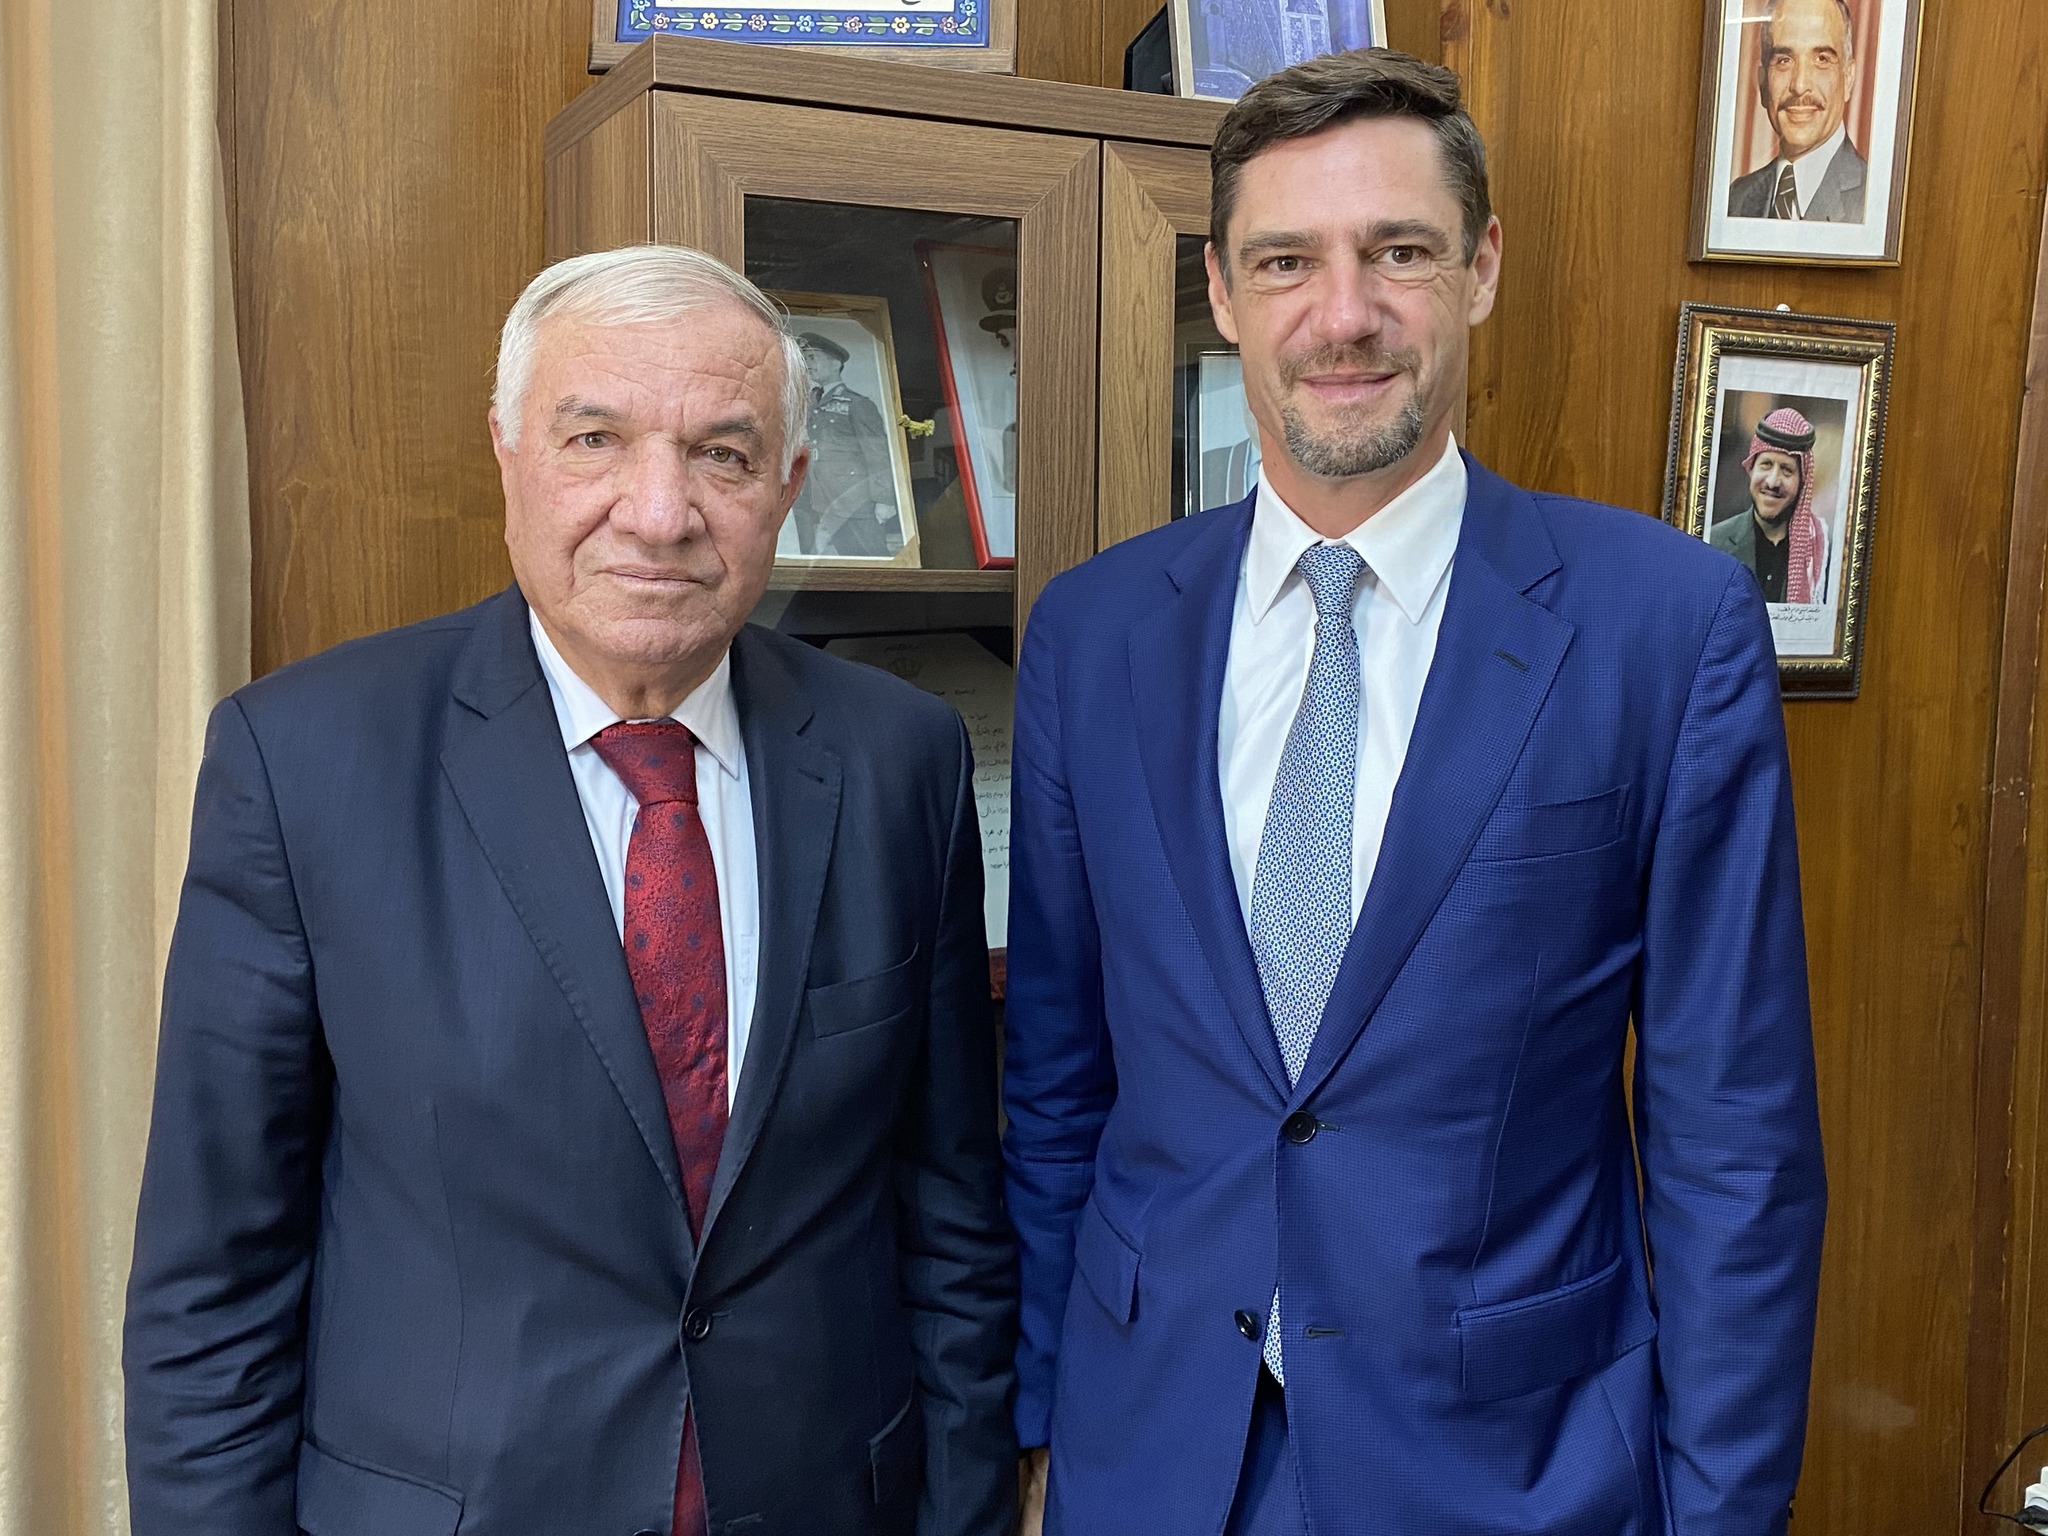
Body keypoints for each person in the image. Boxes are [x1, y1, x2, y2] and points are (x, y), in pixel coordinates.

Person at [1005, 48, 1825, 1536]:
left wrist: (1720, 1514)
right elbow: (1057, 1090)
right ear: (1221, 289)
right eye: (1285, 260)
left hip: (1509, 1470)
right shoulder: (1094, 633)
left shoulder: (1662, 625)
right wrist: (1046, 1427)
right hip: (1150, 1457)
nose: (1343, 314)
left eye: (1398, 251)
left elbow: (1735, 1139)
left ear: (1480, 268)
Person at [123, 245, 1018, 1536]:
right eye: (595, 439)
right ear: (508, 453)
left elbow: (949, 1220)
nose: (658, 513)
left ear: (788, 485)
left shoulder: (900, 761)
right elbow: (215, 1283)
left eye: (721, 454)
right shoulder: (304, 761)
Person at [1727, 0, 1867, 223]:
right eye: (1784, 60)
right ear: (1763, 84)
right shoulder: (1736, 199)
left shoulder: (1875, 200)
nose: (1800, 86)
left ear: (1848, 79)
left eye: (1821, 59)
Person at [791, 330, 899, 558]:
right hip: (814, 496)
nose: (808, 364)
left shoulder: (858, 404)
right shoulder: (809, 402)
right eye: (805, 359)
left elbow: (877, 452)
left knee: (870, 558)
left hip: (852, 500)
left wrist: (884, 499)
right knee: (819, 562)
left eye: (813, 358)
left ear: (835, 363)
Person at [1711, 405, 1831, 605]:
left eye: (1786, 470)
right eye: (1766, 465)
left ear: (1802, 481)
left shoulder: (1824, 550)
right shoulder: (1715, 541)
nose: (1773, 482)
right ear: (1750, 469)